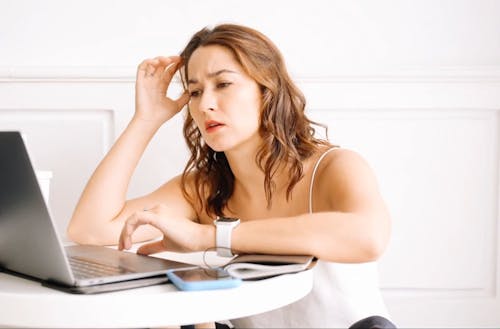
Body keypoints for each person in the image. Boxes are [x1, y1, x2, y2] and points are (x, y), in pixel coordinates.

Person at [67, 23, 396, 328]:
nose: (206, 104)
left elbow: (368, 238)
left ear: (267, 90)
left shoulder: (333, 166)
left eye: (223, 84)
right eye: (195, 92)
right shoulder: (202, 188)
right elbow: (90, 229)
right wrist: (146, 120)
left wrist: (209, 236)